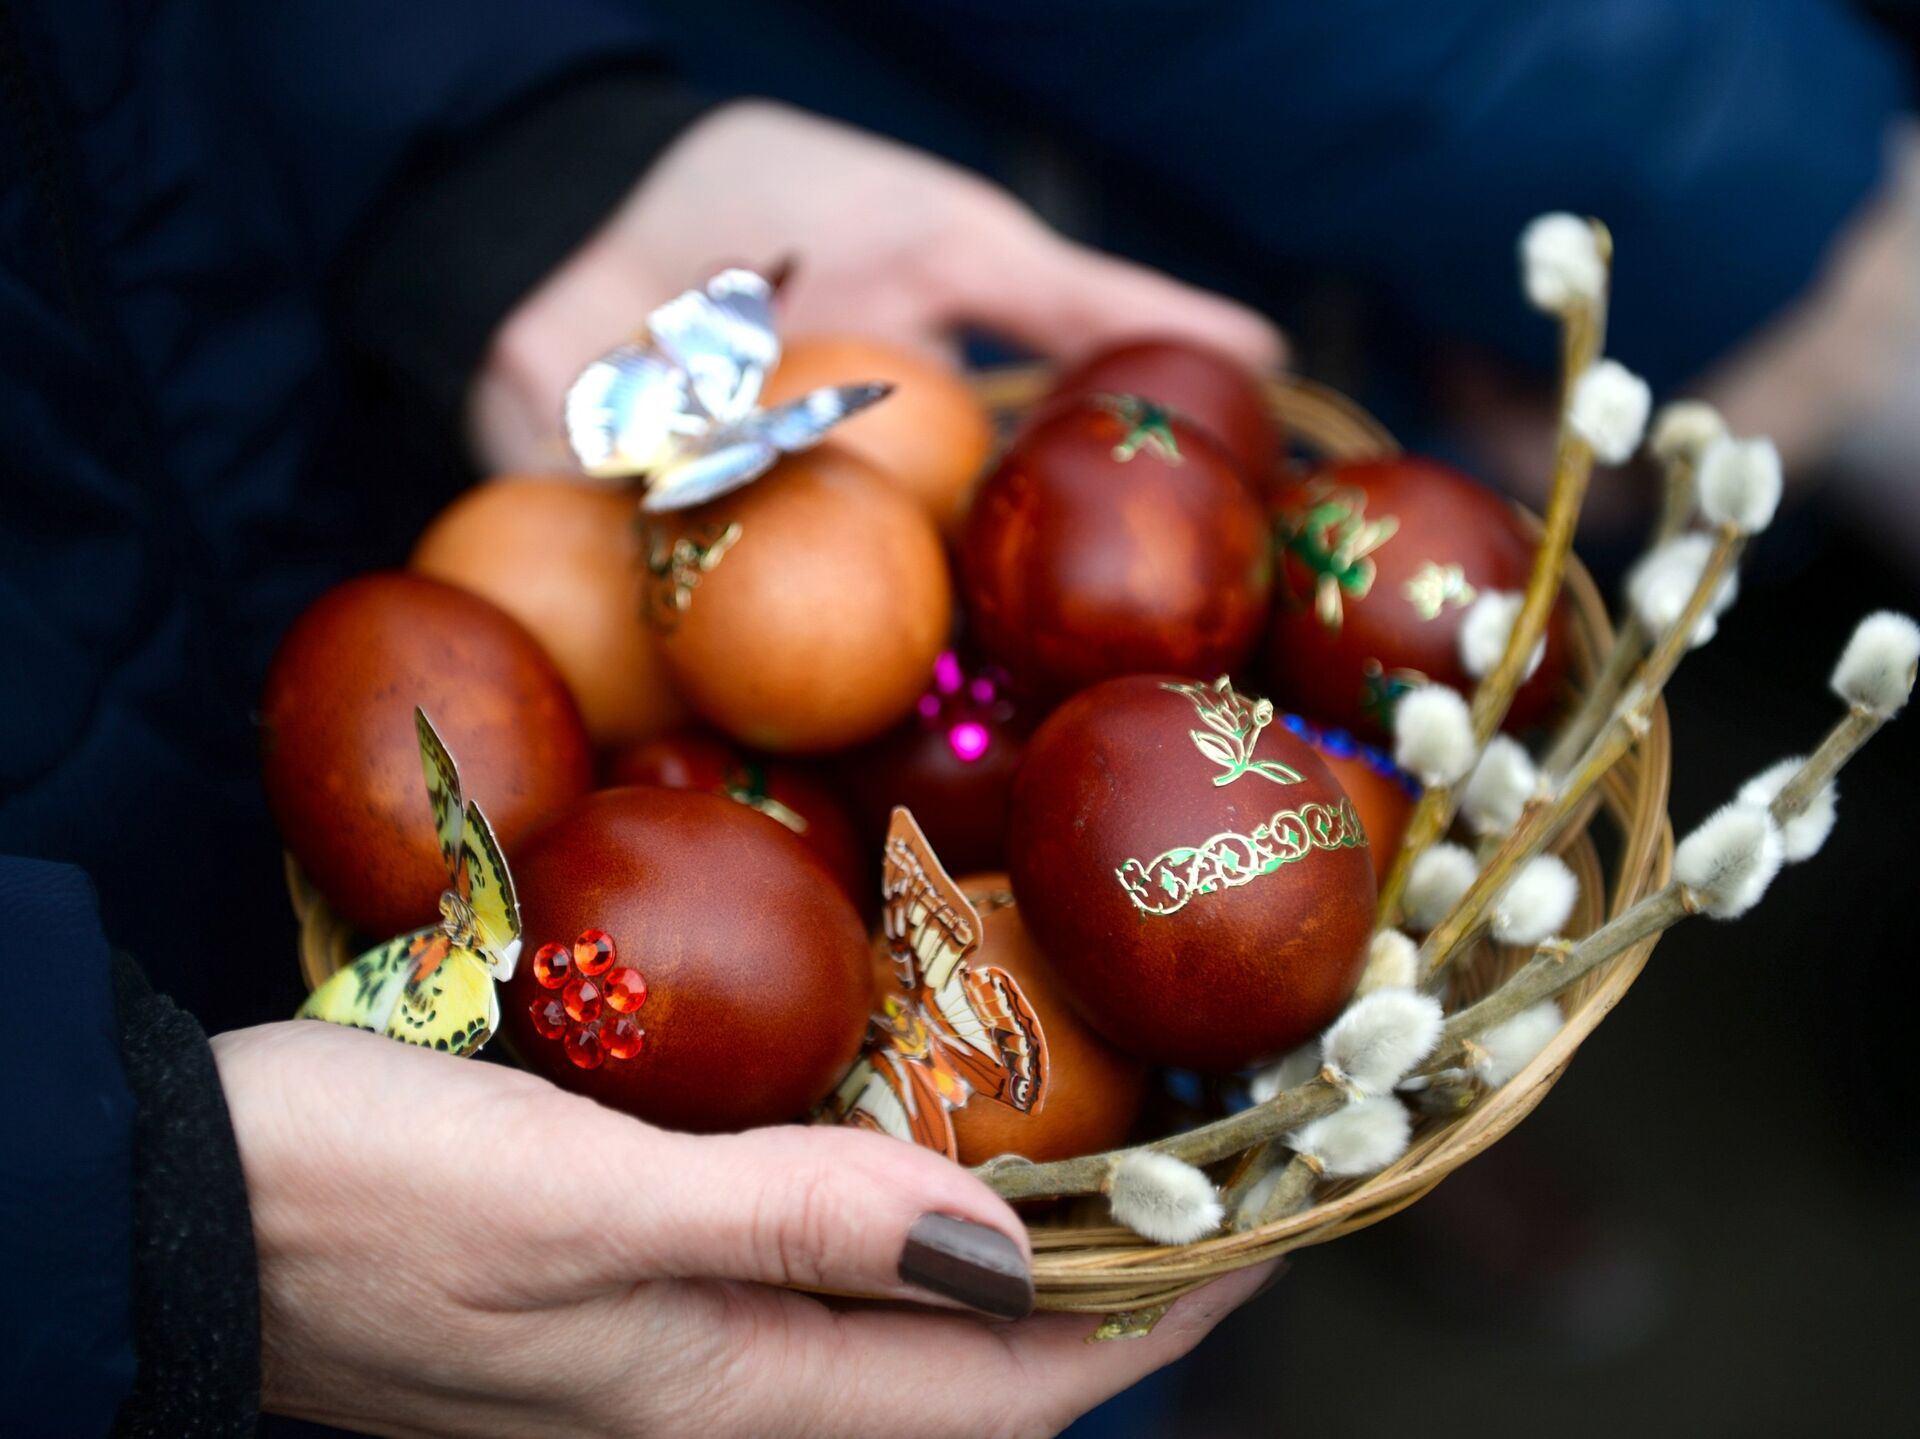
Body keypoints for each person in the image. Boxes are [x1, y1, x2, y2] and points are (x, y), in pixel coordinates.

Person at [0, 7, 1280, 1435]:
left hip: (355, 397)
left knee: (1054, 1354)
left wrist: (512, 172)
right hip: (200, 1210)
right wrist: (124, 1207)